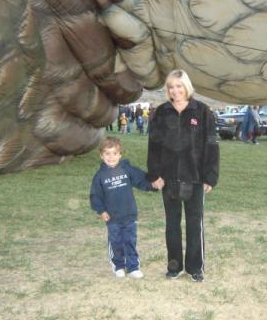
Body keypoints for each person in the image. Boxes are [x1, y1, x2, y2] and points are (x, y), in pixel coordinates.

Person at [147, 69, 219, 283]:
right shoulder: (161, 112)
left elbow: (212, 145)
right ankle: (174, 266)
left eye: (179, 86)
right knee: (172, 224)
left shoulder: (202, 111)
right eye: (171, 87)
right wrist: (154, 174)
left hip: (195, 177)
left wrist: (210, 176)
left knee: (194, 223)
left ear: (186, 86)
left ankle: (195, 267)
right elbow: (154, 145)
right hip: (168, 178)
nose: (175, 91)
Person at [89, 137, 156, 279]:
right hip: (112, 217)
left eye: (114, 153)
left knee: (130, 241)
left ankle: (133, 267)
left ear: (120, 154)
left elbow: (141, 179)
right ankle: (118, 265)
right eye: (107, 154)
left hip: (129, 215)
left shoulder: (127, 169)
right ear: (101, 156)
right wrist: (101, 211)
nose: (111, 157)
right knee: (116, 241)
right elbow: (95, 196)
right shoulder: (99, 176)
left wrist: (153, 185)